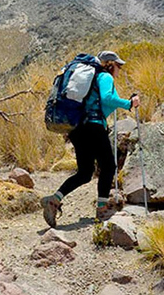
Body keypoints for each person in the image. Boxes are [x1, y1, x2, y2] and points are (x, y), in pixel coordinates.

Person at [40, 51, 140, 227]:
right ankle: (102, 210)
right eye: (119, 65)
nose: (120, 69)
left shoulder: (91, 78)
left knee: (85, 172)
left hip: (77, 129)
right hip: (93, 126)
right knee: (109, 166)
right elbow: (107, 98)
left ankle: (53, 200)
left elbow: (103, 102)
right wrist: (129, 104)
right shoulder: (105, 77)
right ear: (110, 64)